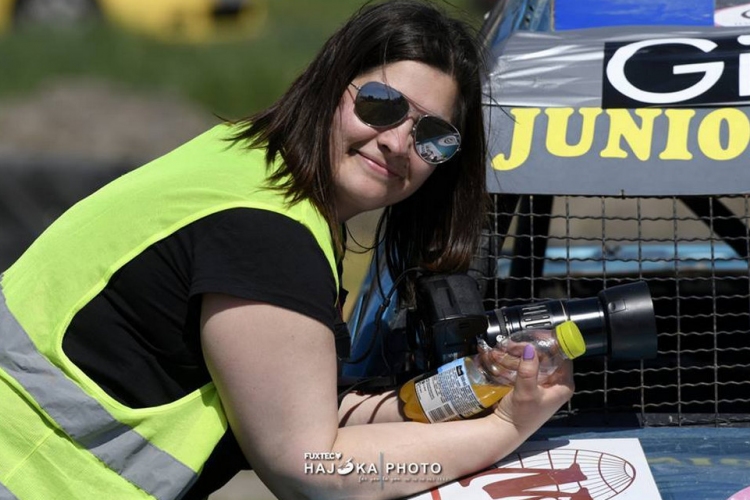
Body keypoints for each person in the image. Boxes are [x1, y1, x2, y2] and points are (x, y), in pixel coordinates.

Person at [0, 0, 574, 499]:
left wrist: (466, 390)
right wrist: (504, 430)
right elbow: (313, 470)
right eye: (380, 104)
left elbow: (311, 413)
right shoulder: (266, 237)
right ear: (330, 85)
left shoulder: (244, 161)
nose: (398, 142)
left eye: (433, 136)